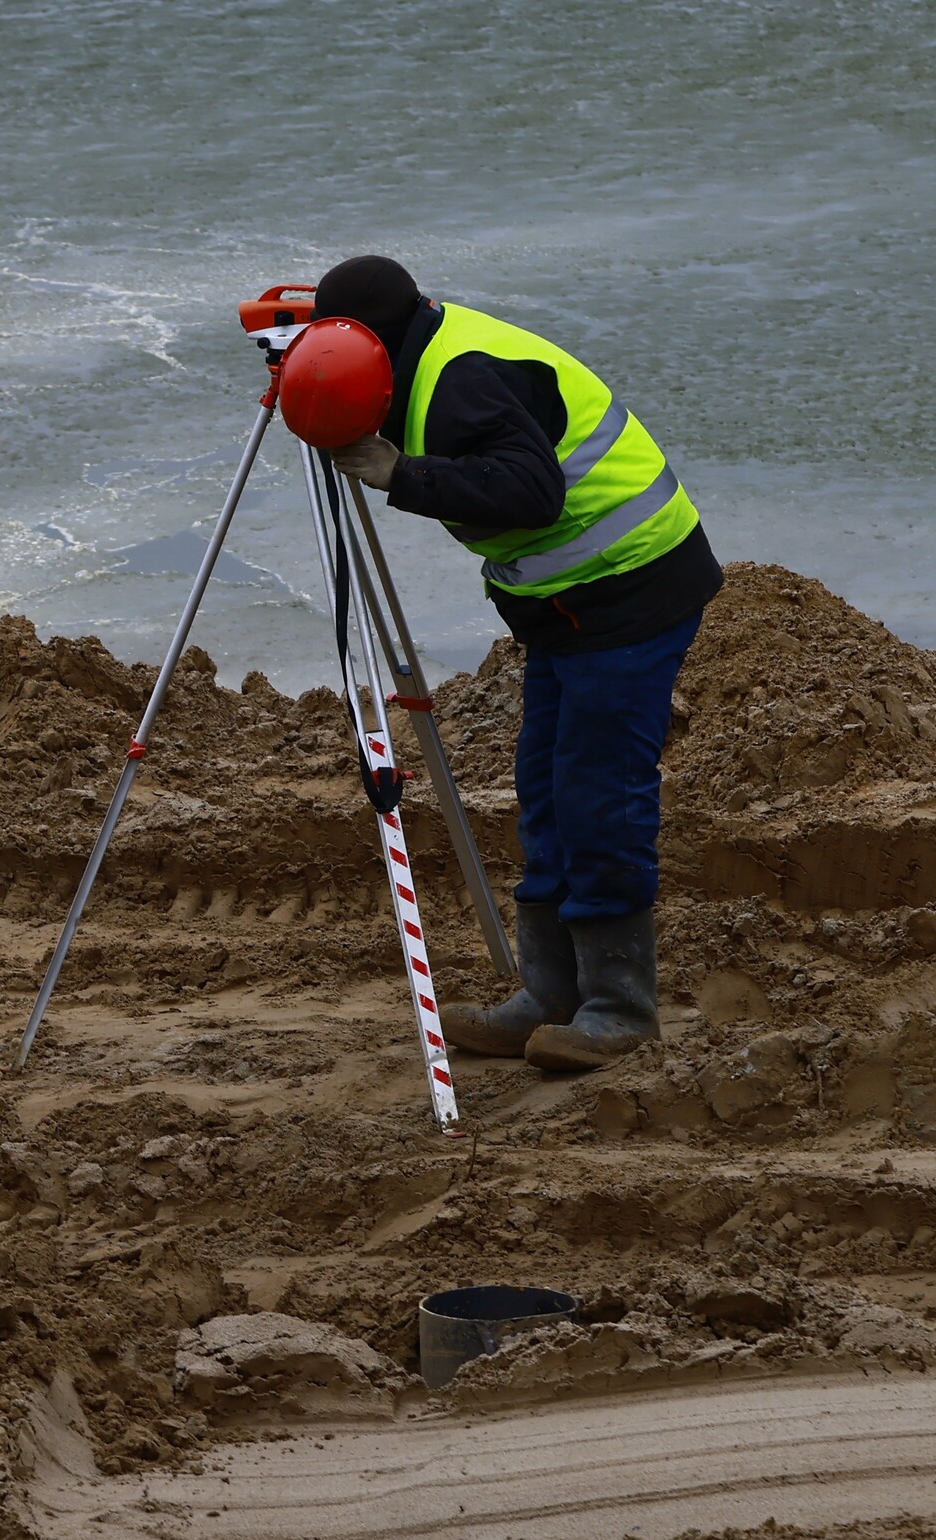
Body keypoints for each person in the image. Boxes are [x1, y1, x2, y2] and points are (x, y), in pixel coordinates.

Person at [313, 254, 721, 1071]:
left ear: (376, 345)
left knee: (599, 792)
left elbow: (534, 495)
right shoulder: (421, 356)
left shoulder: (460, 378)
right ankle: (550, 992)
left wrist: (401, 473)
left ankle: (620, 1006)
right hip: (567, 611)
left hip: (633, 591)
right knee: (545, 789)